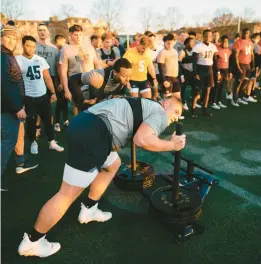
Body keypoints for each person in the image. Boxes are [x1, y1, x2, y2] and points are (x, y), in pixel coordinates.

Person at [17, 92, 185, 257]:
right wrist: (172, 145)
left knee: (113, 164)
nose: (176, 118)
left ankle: (89, 209)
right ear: (166, 104)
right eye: (176, 112)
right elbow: (142, 139)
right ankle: (32, 242)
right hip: (95, 133)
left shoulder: (146, 104)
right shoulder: (160, 113)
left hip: (86, 124)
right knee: (66, 194)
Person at [1, 25, 37, 185]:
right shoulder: (3, 56)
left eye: (14, 38)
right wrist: (17, 107)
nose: (11, 40)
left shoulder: (7, 55)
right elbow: (5, 85)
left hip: (10, 107)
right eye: (7, 37)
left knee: (13, 138)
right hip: (8, 109)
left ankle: (20, 164)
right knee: (8, 141)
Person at [16, 36, 64, 154]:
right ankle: (33, 142)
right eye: (28, 45)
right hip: (29, 97)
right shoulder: (18, 60)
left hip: (43, 96)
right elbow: (16, 81)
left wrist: (52, 92)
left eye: (33, 46)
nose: (31, 48)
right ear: (23, 45)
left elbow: (47, 77)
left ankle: (52, 142)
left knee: (48, 120)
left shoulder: (40, 59)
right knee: (31, 122)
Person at [60, 24, 101, 115]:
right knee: (79, 107)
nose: (78, 37)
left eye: (80, 35)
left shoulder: (89, 48)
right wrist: (66, 90)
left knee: (94, 106)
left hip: (90, 80)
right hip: (75, 82)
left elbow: (97, 64)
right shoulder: (66, 50)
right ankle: (77, 126)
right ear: (70, 35)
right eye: (75, 35)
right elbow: (63, 72)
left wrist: (101, 79)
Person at [192, 29, 220, 116]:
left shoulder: (213, 47)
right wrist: (195, 73)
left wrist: (218, 72)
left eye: (209, 36)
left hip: (210, 70)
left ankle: (204, 109)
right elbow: (194, 61)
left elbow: (215, 61)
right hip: (200, 69)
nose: (208, 37)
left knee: (208, 90)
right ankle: (193, 110)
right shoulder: (198, 46)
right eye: (206, 36)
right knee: (198, 91)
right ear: (203, 36)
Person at [157, 33, 185, 102]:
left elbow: (177, 64)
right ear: (164, 42)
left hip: (175, 78)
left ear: (174, 42)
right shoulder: (162, 52)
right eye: (168, 43)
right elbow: (161, 68)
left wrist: (181, 75)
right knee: (167, 101)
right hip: (167, 78)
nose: (170, 45)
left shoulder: (175, 51)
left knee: (177, 98)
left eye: (171, 43)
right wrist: (164, 80)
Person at [232, 28, 255, 105]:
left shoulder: (250, 42)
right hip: (241, 64)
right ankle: (234, 99)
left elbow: (252, 54)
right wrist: (238, 67)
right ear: (241, 33)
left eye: (247, 33)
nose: (245, 34)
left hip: (248, 65)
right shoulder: (237, 42)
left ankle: (240, 97)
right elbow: (235, 56)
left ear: (249, 34)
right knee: (238, 82)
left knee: (245, 82)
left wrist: (253, 65)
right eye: (243, 33)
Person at [210, 35, 232, 109]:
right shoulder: (217, 49)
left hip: (225, 70)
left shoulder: (229, 50)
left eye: (226, 42)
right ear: (221, 41)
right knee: (216, 86)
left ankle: (219, 101)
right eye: (223, 41)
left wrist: (229, 72)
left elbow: (229, 61)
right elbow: (215, 61)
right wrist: (218, 71)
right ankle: (213, 102)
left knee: (222, 87)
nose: (225, 43)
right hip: (218, 70)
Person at [54, 34, 69, 131]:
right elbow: (58, 68)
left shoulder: (63, 51)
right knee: (60, 103)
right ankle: (57, 123)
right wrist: (60, 83)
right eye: (63, 41)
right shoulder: (59, 53)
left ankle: (66, 120)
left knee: (65, 102)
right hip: (60, 81)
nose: (64, 43)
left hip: (65, 80)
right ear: (58, 41)